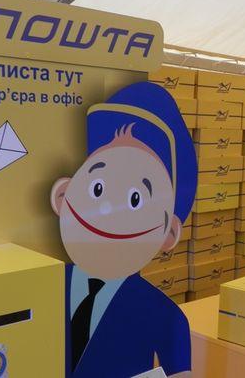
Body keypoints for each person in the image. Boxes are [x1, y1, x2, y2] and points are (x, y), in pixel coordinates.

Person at [50, 81, 197, 377]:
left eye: (134, 199)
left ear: (168, 233)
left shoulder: (164, 316)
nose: (107, 208)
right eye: (98, 187)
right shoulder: (44, 285)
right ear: (63, 195)